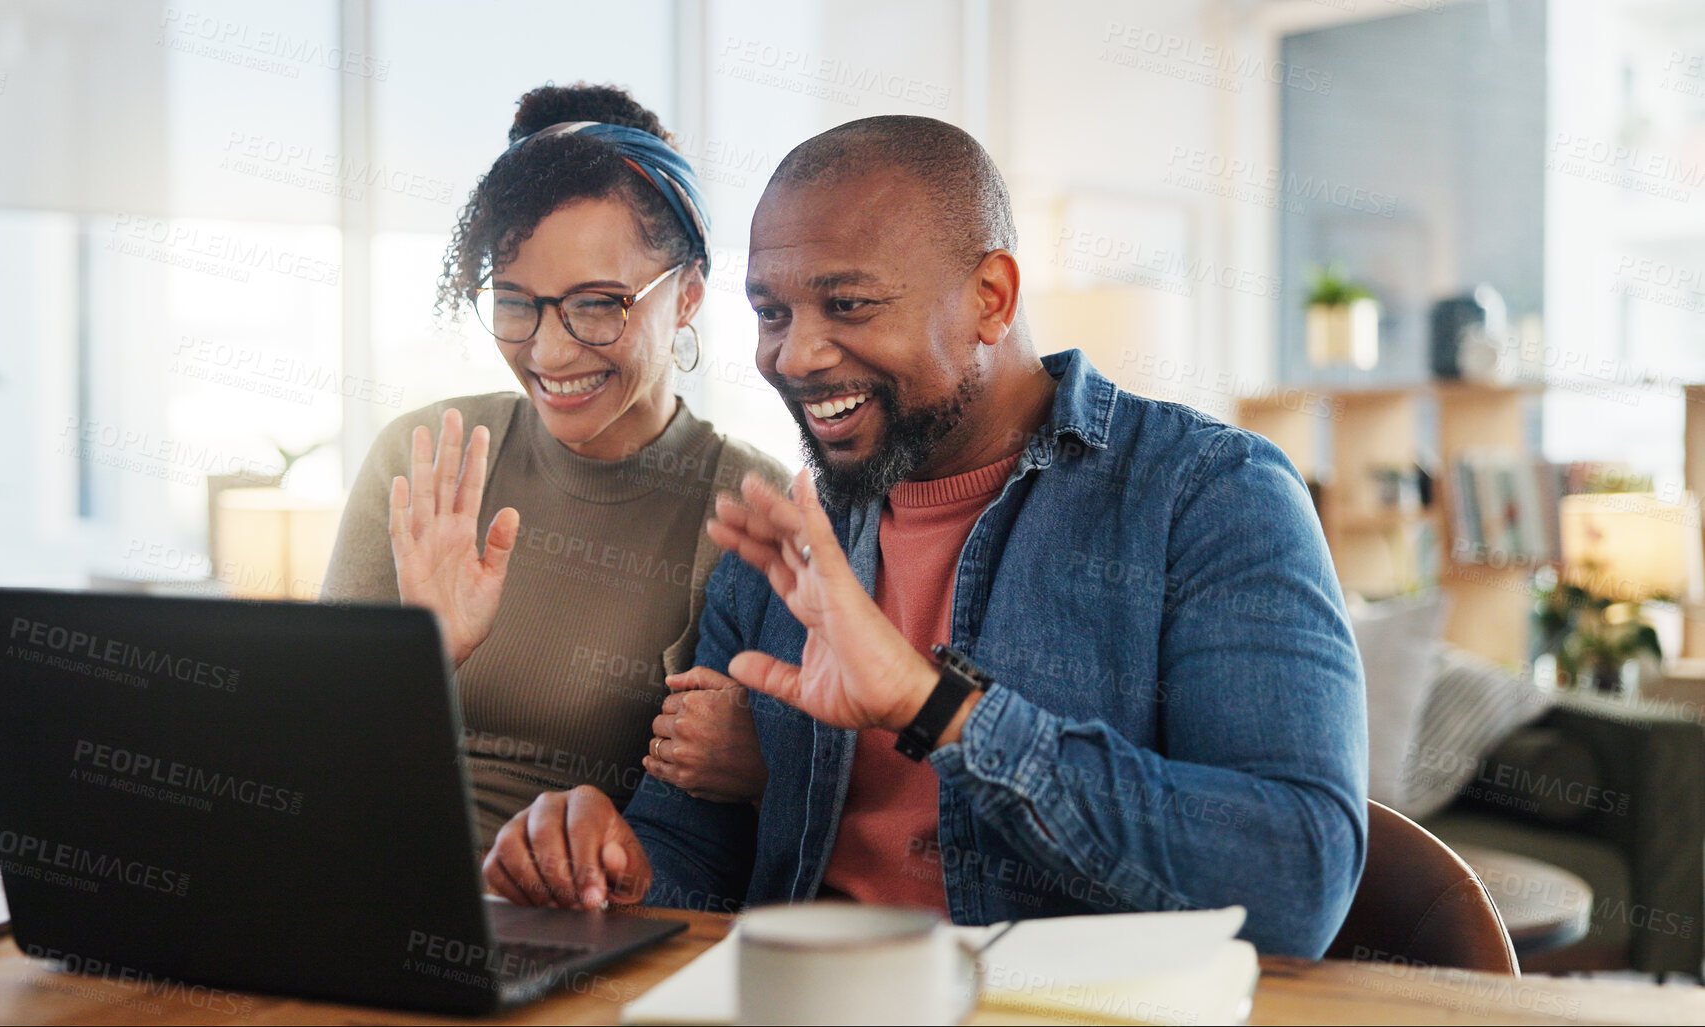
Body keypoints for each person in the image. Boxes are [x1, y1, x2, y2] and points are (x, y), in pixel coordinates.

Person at [479, 116, 1368, 958]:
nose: (793, 356)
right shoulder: (786, 543)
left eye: (848, 304)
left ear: (991, 296)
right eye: (772, 312)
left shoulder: (1206, 495)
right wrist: (609, 869)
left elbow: (1295, 883)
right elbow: (697, 855)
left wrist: (931, 705)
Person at [320, 84, 784, 840]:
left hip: (577, 912)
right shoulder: (421, 458)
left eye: (598, 302)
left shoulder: (746, 503)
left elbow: (751, 820)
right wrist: (420, 661)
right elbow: (311, 756)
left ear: (690, 294)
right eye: (514, 301)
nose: (548, 350)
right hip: (373, 875)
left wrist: (768, 765)